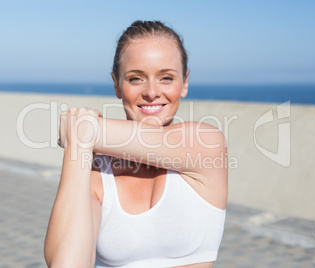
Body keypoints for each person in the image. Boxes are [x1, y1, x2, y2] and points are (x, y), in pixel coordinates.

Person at [44, 20, 228, 268]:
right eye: (135, 79)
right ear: (116, 84)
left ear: (184, 82)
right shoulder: (98, 173)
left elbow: (99, 132)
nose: (151, 92)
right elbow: (67, 264)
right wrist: (78, 144)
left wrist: (79, 130)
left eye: (165, 77)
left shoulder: (205, 143)